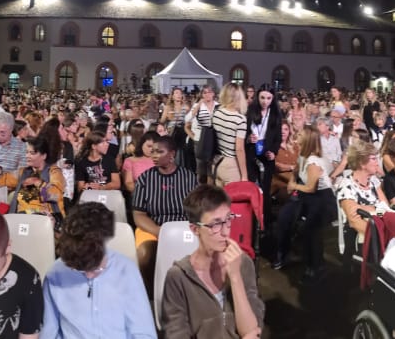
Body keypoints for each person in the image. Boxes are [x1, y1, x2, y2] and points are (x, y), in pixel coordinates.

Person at [160, 185, 265, 339]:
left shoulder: (242, 263)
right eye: (215, 224)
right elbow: (176, 334)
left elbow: (252, 330)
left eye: (228, 219)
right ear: (195, 229)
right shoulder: (178, 277)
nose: (225, 232)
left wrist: (235, 277)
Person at [42, 203, 154, 338]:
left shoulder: (126, 270)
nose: (90, 276)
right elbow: (48, 332)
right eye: (81, 271)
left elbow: (143, 331)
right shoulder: (55, 275)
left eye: (95, 268)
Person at [132, 136, 194, 294]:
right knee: (144, 254)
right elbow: (139, 214)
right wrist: (160, 232)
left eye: (160, 152)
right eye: (152, 152)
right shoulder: (145, 179)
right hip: (153, 228)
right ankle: (154, 293)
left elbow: (197, 210)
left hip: (183, 228)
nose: (154, 155)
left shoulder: (188, 178)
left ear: (172, 154)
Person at [271, 125, 335, 278]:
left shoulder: (313, 161)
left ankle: (316, 266)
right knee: (287, 219)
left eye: (299, 134)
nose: (296, 135)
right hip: (308, 197)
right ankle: (289, 256)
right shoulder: (302, 155)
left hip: (322, 199)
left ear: (306, 139)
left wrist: (293, 185)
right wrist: (292, 181)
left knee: (311, 231)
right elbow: (296, 171)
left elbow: (310, 188)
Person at [246, 88, 283, 197]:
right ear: (258, 97)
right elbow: (243, 132)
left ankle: (265, 213)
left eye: (268, 98)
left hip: (267, 153)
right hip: (251, 152)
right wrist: (248, 139)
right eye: (262, 97)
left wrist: (274, 152)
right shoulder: (250, 111)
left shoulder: (275, 114)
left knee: (266, 190)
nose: (265, 101)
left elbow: (278, 137)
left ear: (273, 98)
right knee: (251, 187)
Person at [210, 85, 250, 186]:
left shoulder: (216, 113)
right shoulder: (240, 119)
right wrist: (244, 175)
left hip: (217, 162)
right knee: (231, 201)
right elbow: (239, 149)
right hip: (231, 165)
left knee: (218, 200)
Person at [73, 131, 122, 200]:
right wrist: (89, 187)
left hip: (107, 196)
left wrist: (101, 187)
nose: (107, 144)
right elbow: (80, 187)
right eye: (103, 142)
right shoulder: (81, 162)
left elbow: (117, 183)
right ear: (94, 146)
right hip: (90, 197)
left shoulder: (109, 159)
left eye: (107, 141)